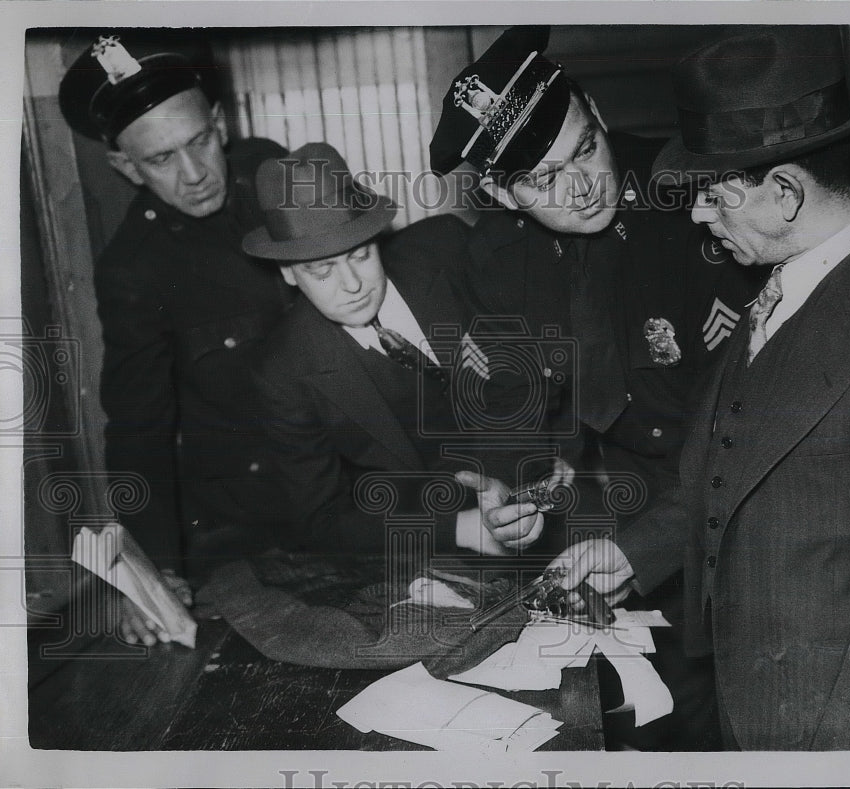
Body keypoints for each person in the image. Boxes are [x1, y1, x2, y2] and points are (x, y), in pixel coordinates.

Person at [552, 26, 850, 750]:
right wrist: (632, 552)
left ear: (784, 193)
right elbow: (732, 466)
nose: (694, 215)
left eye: (713, 197)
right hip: (752, 697)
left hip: (837, 730)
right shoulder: (784, 282)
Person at [428, 26, 763, 750]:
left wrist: (648, 548)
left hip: (729, 514)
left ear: (599, 114)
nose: (581, 186)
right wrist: (515, 485)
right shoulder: (495, 253)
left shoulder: (694, 207)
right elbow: (515, 401)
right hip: (606, 513)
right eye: (541, 179)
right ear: (497, 191)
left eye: (585, 147)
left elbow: (750, 431)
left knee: (722, 725)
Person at [59, 31, 293, 646]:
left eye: (198, 143)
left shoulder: (273, 174)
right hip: (255, 512)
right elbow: (139, 427)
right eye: (161, 159)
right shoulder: (134, 268)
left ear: (220, 124)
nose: (194, 175)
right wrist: (154, 569)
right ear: (125, 167)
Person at [248, 142, 545, 562]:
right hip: (427, 545)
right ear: (288, 273)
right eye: (321, 270)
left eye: (360, 255)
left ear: (375, 236)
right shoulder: (283, 371)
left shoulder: (447, 248)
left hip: (540, 478)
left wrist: (527, 480)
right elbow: (321, 521)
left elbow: (530, 365)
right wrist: (459, 529)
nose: (352, 285)